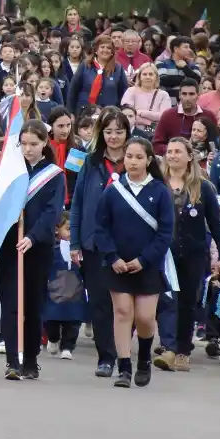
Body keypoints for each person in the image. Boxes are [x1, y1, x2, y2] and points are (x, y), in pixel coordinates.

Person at [93, 136, 174, 388]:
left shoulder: (160, 191)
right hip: (117, 264)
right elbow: (101, 227)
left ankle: (145, 359)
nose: (133, 162)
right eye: (129, 156)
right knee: (123, 312)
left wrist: (145, 259)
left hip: (147, 265)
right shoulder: (113, 190)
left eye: (139, 157)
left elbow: (165, 232)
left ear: (149, 160)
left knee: (145, 317)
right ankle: (124, 367)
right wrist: (112, 257)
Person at [155, 136, 220, 372]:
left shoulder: (203, 187)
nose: (173, 155)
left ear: (189, 156)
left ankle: (183, 350)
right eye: (170, 151)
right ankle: (168, 346)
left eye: (178, 151)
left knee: (186, 302)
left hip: (193, 254)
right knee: (165, 300)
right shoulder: (158, 183)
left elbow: (216, 225)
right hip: (163, 253)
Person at [69, 107, 130, 377]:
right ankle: (106, 357)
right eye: (108, 131)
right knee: (99, 303)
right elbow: (78, 204)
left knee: (124, 304)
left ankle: (123, 352)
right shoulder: (90, 162)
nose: (114, 136)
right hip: (93, 243)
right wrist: (74, 242)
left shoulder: (136, 160)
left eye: (119, 131)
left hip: (127, 244)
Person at [2, 120, 64, 380]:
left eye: (34, 144)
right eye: (24, 144)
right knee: (11, 303)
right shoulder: (11, 171)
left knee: (33, 304)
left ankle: (30, 359)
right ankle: (11, 360)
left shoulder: (54, 174)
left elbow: (53, 212)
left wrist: (33, 236)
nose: (28, 149)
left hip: (37, 246)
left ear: (44, 144)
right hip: (10, 245)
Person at [42, 217, 85, 359]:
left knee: (73, 321)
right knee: (51, 320)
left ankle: (67, 347)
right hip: (54, 292)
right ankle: (53, 338)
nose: (72, 233)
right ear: (56, 229)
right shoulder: (51, 249)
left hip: (75, 293)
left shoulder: (81, 249)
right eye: (68, 229)